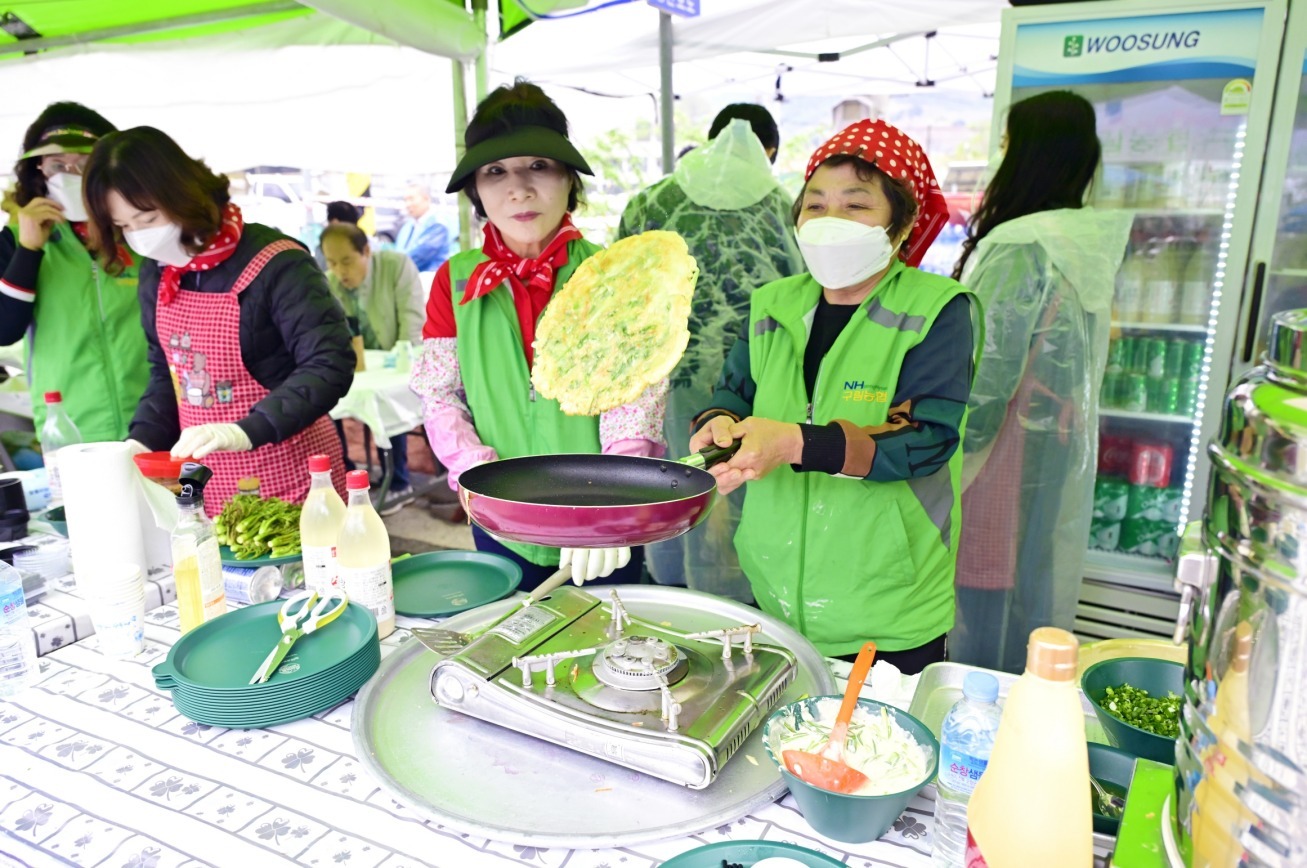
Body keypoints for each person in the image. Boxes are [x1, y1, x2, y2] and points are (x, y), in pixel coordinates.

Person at [689, 118, 975, 675]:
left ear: (901, 223)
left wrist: (795, 443)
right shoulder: (773, 302)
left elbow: (926, 440)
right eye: (815, 204)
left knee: (871, 756)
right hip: (773, 592)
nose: (829, 220)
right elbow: (733, 393)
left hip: (889, 610)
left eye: (857, 205)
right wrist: (719, 426)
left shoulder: (938, 309)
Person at [410, 79, 666, 590]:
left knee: (613, 652)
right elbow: (439, 393)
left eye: (539, 166)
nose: (519, 189)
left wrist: (610, 513)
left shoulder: (615, 275)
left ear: (569, 176)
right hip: (500, 525)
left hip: (604, 523)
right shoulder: (455, 279)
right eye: (496, 171)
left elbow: (636, 400)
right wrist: (484, 482)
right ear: (476, 190)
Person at [951, 91, 1132, 673]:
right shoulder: (1083, 241)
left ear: (1026, 155)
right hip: (1051, 450)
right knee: (1028, 579)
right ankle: (1018, 702)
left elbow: (988, 376)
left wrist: (948, 456)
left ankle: (975, 713)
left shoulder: (1018, 246)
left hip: (1000, 455)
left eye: (1006, 145)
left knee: (981, 588)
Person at [82, 126, 355, 511]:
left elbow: (330, 363)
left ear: (181, 194)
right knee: (203, 559)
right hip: (198, 479)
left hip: (288, 472)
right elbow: (166, 372)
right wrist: (140, 441)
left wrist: (244, 431)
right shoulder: (159, 273)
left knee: (294, 566)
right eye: (123, 226)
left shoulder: (276, 262)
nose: (138, 237)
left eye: (146, 218)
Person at [618, 104, 803, 601]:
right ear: (768, 153)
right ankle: (742, 610)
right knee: (737, 491)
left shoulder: (649, 203)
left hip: (662, 387)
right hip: (753, 391)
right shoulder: (785, 209)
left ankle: (671, 600)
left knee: (674, 490)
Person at [0, 102, 149, 441]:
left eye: (83, 164)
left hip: (156, 418)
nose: (70, 174)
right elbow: (4, 331)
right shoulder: (15, 238)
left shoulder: (137, 229)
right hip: (70, 425)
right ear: (39, 169)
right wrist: (29, 250)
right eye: (58, 165)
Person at [322, 222, 425, 513]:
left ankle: (400, 481)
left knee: (386, 401)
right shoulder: (330, 282)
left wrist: (404, 352)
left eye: (346, 261)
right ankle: (345, 474)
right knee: (324, 397)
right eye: (331, 263)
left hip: (399, 360)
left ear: (366, 251)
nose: (340, 271)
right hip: (360, 366)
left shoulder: (395, 266)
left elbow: (412, 319)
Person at [396, 184, 451, 272]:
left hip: (430, 280)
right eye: (405, 200)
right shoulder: (407, 227)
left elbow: (418, 257)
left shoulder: (437, 225)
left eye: (411, 199)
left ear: (426, 199)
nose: (408, 204)